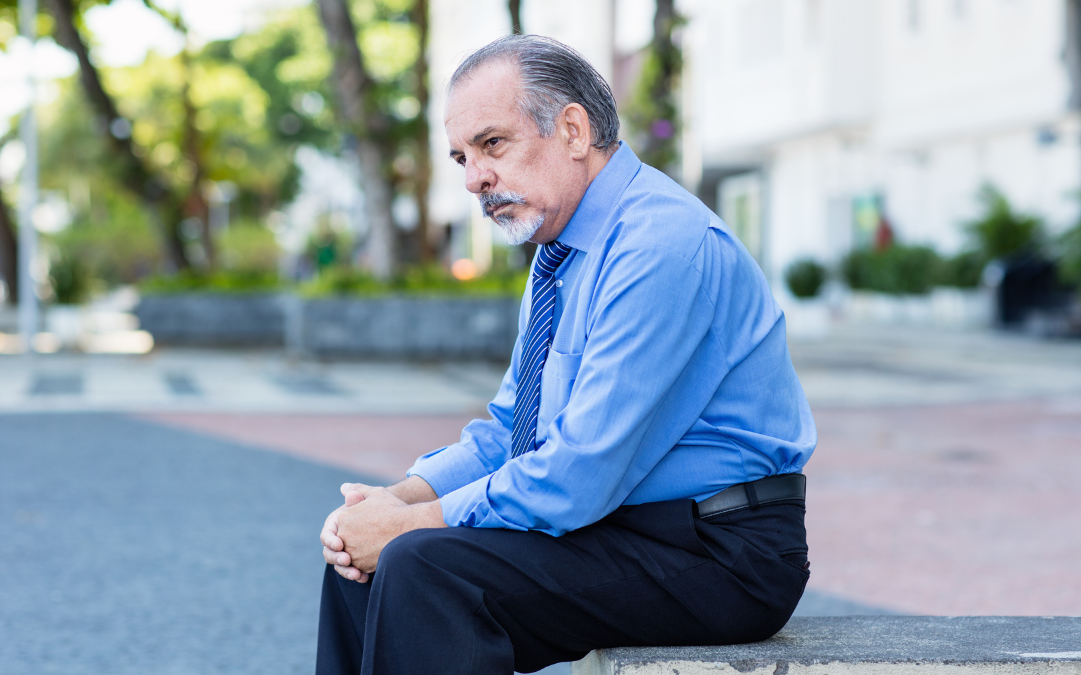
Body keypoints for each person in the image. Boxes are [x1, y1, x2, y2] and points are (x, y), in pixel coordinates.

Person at [316, 35, 816, 675]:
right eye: (461, 157)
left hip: (720, 553)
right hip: (624, 525)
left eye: (492, 144)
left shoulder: (661, 243)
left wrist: (416, 526)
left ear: (573, 131)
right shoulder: (560, 254)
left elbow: (580, 471)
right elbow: (511, 432)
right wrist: (393, 502)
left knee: (423, 566)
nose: (474, 178)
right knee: (366, 565)